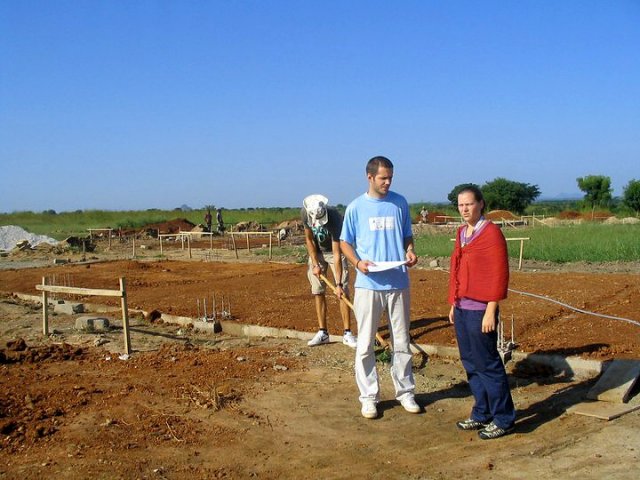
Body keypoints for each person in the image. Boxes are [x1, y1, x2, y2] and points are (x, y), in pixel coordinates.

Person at [340, 156, 419, 419]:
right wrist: (357, 262)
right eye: (383, 178)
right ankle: (369, 397)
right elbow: (345, 243)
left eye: (391, 178)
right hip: (368, 284)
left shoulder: (399, 203)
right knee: (364, 344)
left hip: (398, 281)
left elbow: (407, 235)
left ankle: (406, 392)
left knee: (402, 340)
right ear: (369, 177)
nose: (387, 182)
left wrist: (409, 250)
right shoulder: (356, 207)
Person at [448, 185, 516, 440]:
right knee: (470, 363)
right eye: (460, 205)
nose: (464, 209)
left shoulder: (491, 234)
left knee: (488, 364)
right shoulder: (461, 233)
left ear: (481, 204)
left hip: (480, 310)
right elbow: (457, 270)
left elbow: (499, 274)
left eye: (469, 204)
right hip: (463, 307)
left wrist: (491, 310)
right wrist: (453, 302)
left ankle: (504, 418)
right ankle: (481, 412)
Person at [302, 194, 357, 348]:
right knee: (318, 291)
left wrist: (338, 283)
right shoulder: (304, 213)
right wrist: (314, 263)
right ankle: (323, 333)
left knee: (343, 291)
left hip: (333, 252)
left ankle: (347, 333)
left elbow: (337, 253)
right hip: (317, 253)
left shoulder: (334, 217)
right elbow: (309, 239)